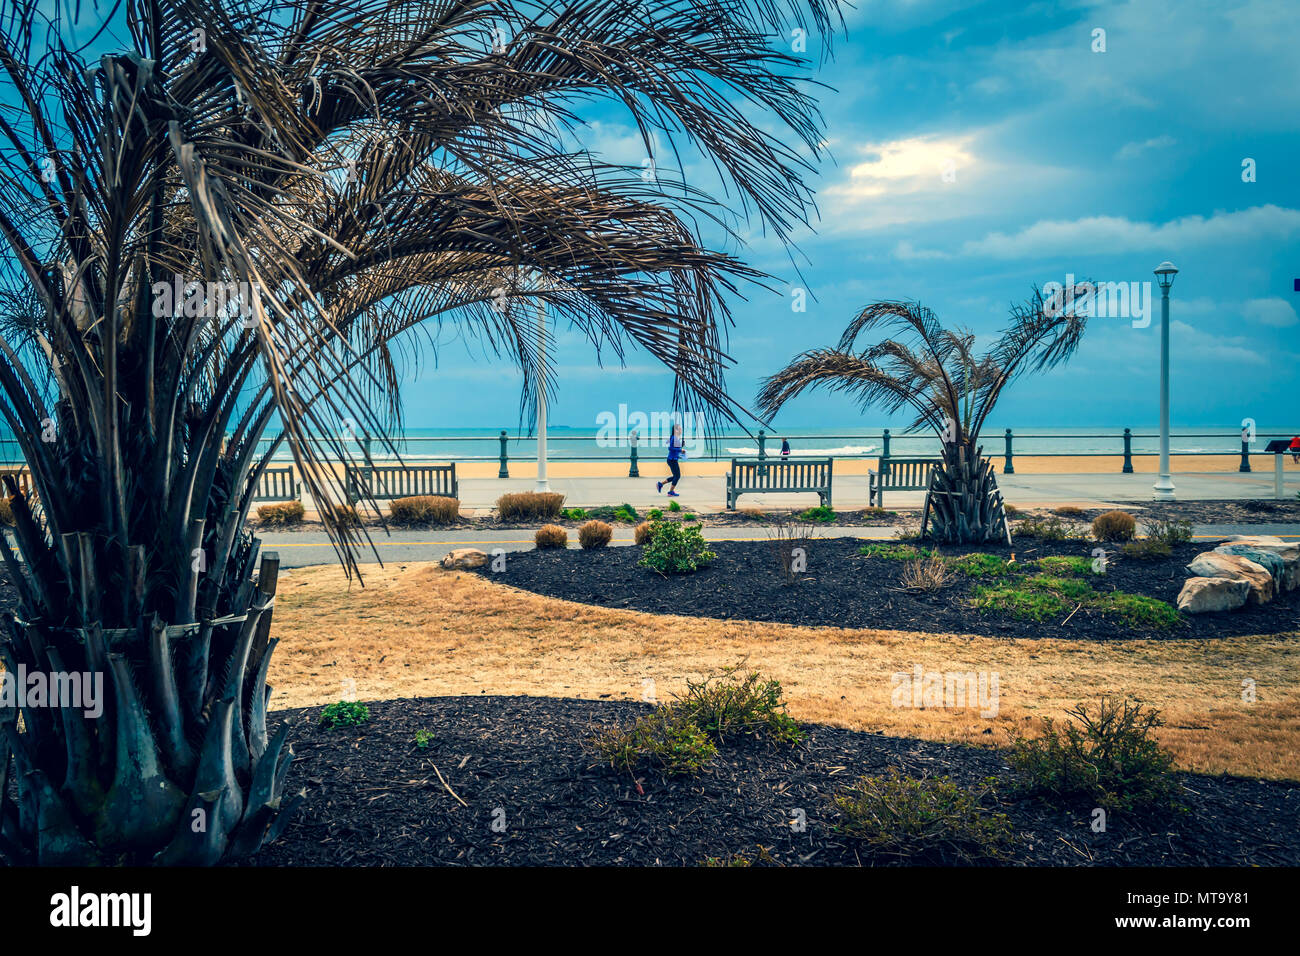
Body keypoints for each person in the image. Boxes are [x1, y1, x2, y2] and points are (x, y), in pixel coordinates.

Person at [657, 422, 686, 496]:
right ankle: (670, 492)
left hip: (672, 459)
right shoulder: (674, 438)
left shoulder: (674, 437)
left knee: (675, 476)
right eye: (679, 429)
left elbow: (674, 447)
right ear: (676, 430)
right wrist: (680, 450)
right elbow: (670, 448)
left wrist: (680, 446)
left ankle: (660, 484)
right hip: (672, 460)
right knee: (677, 476)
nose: (681, 430)